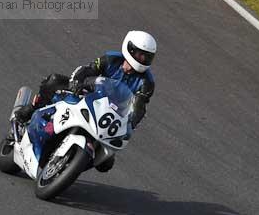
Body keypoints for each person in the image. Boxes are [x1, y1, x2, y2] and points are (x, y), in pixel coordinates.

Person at [13, 30, 157, 172]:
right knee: (54, 81)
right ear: (129, 49)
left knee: (106, 164)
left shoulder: (147, 82)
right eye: (140, 54)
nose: (143, 59)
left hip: (111, 116)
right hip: (89, 95)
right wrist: (76, 82)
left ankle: (72, 164)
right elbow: (87, 70)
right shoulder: (111, 59)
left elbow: (140, 105)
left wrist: (131, 123)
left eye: (147, 57)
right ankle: (32, 109)